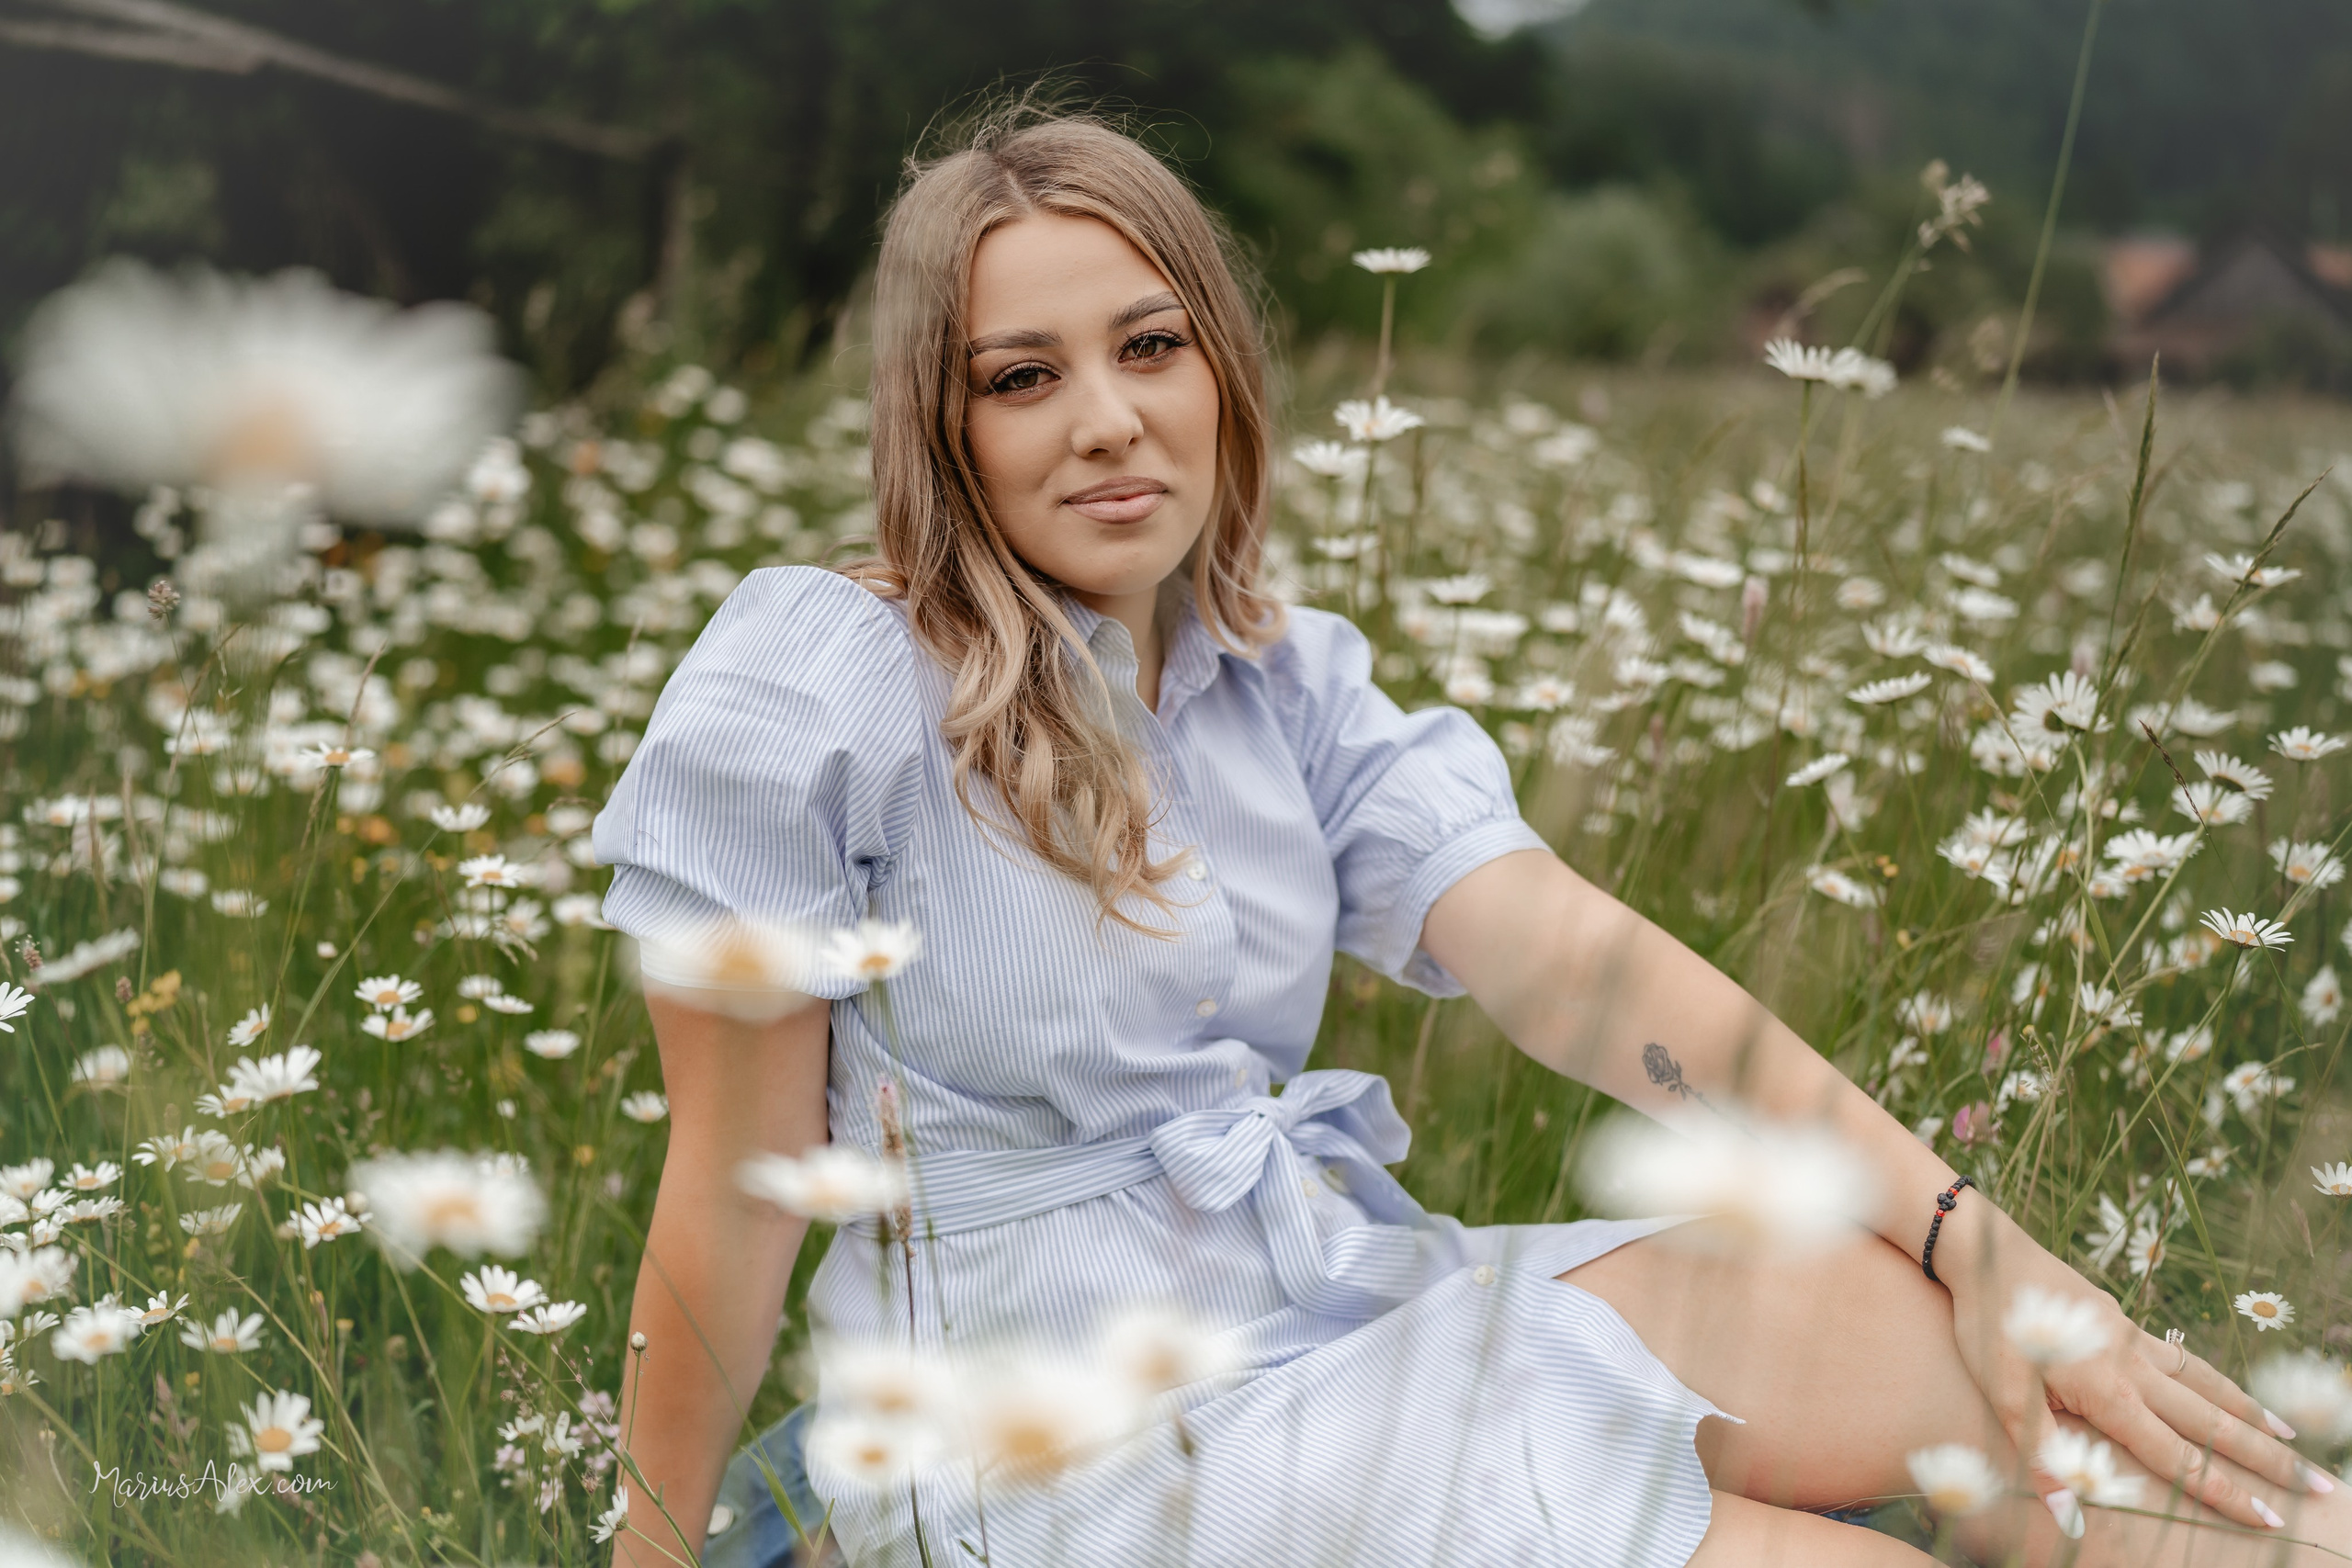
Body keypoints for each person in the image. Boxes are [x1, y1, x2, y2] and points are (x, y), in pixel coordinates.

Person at [591, 106, 2343, 1568]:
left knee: (2071, 1418)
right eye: (1023, 376)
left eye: (1150, 346)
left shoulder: (1281, 684)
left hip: (1335, 1305)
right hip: (1061, 1457)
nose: (1108, 417)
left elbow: (1575, 966)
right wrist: (653, 1555)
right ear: (942, 424)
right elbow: (733, 1185)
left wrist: (1983, 1246)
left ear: (1223, 367)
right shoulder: (826, 677)